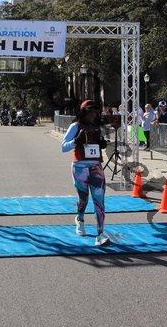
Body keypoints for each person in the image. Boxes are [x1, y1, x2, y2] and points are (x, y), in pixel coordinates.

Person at [61, 100, 110, 246]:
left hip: (96, 167)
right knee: (83, 199)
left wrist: (102, 144)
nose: (93, 114)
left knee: (99, 201)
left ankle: (100, 234)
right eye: (90, 112)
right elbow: (63, 147)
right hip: (79, 167)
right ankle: (80, 219)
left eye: (95, 112)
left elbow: (97, 144)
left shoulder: (97, 127)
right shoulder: (75, 126)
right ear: (84, 112)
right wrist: (76, 141)